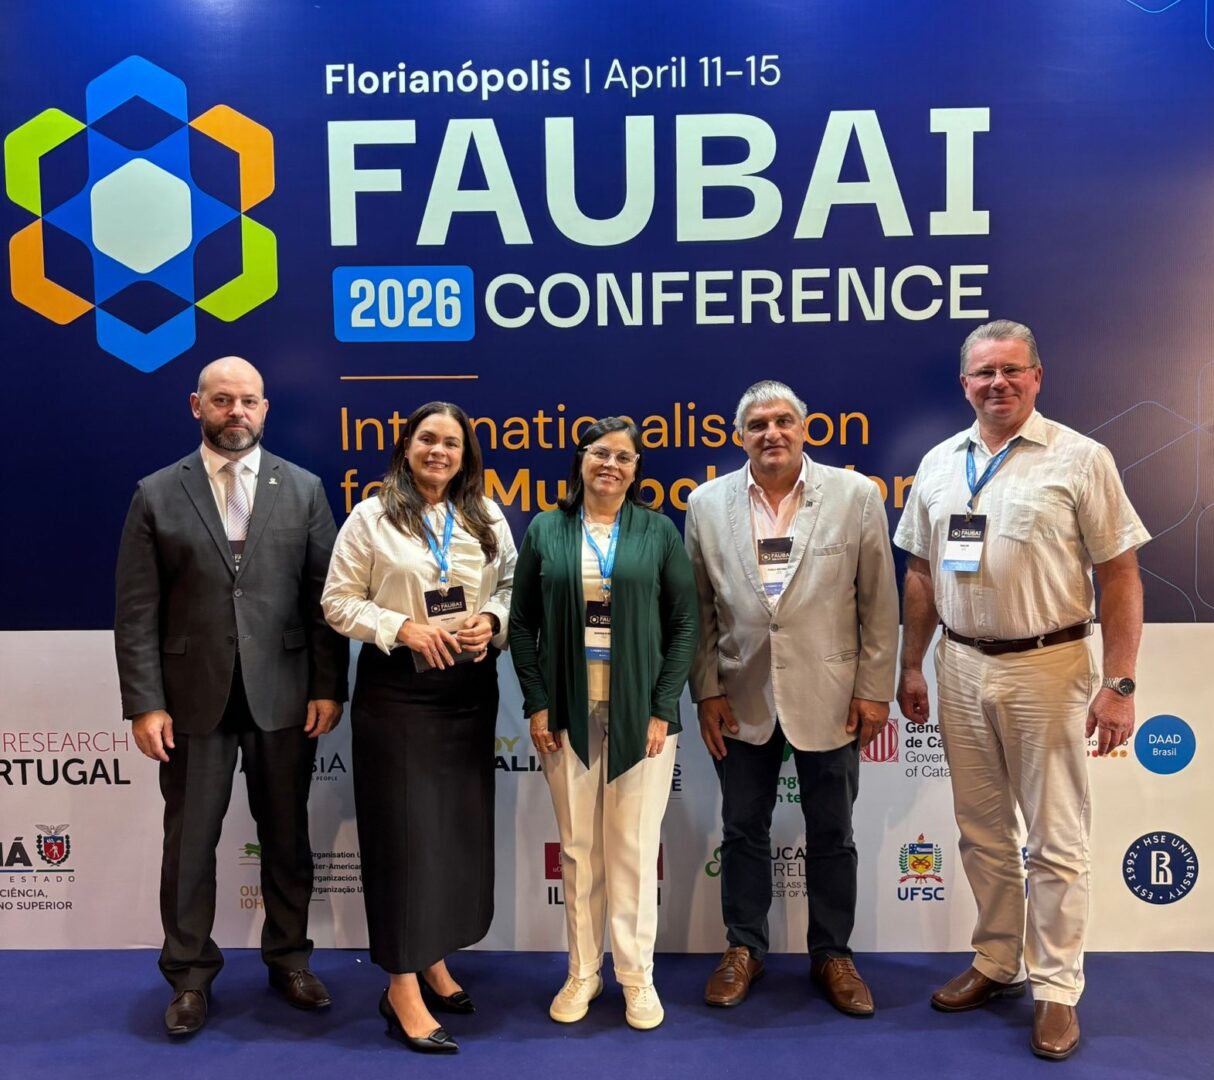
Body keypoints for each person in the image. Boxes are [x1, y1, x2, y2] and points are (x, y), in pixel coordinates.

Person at [894, 320, 1149, 1061]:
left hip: (1049, 665)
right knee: (981, 830)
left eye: (1011, 370)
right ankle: (998, 959)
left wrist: (1120, 683)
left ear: (1037, 377)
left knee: (1056, 840)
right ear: (964, 384)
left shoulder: (1081, 457)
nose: (997, 383)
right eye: (984, 372)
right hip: (960, 664)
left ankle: (1057, 988)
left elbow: (1120, 576)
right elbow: (920, 574)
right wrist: (912, 665)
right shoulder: (939, 463)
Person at [115, 356, 349, 1037]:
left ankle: (290, 959)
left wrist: (328, 687)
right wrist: (145, 703)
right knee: (189, 845)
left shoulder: (303, 489)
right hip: (191, 701)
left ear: (265, 408)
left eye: (248, 400)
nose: (236, 412)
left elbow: (325, 600)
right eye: (222, 400)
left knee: (287, 839)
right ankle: (189, 975)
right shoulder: (156, 493)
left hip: (285, 695)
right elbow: (136, 611)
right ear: (198, 406)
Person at [685, 380, 899, 1017]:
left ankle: (833, 954)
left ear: (805, 429)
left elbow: (878, 603)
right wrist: (706, 689)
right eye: (757, 425)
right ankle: (743, 947)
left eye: (783, 421)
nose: (771, 433)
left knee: (832, 831)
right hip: (740, 695)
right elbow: (699, 609)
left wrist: (874, 691)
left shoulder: (856, 496)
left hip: (832, 697)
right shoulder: (705, 503)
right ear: (739, 436)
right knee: (741, 829)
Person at [321, 401, 515, 1055]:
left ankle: (433, 959)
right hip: (398, 695)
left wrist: (492, 620)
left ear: (465, 455)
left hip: (468, 692)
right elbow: (337, 601)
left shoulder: (485, 516)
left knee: (451, 838)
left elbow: (512, 585)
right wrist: (400, 627)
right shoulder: (371, 517)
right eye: (427, 439)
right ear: (406, 447)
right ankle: (401, 985)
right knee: (404, 841)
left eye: (451, 443)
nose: (438, 451)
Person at [508, 418, 697, 1031]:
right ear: (581, 460)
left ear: (637, 470)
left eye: (623, 456)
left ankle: (637, 979)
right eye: (599, 453)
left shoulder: (658, 531)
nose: (610, 464)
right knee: (578, 849)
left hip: (641, 717)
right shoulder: (546, 528)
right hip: (567, 712)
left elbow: (684, 625)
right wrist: (537, 702)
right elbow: (522, 625)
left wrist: (663, 708)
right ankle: (583, 972)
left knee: (634, 850)